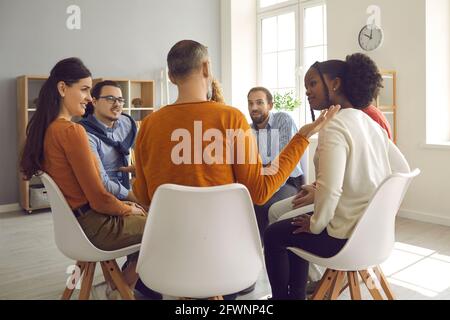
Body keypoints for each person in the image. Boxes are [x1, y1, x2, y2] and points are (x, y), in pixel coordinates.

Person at [132, 39, 338, 213]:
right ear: (206, 68)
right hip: (224, 243)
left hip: (167, 245)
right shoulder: (230, 118)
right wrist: (301, 137)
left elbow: (143, 196)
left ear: (170, 76)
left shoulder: (148, 125)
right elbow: (260, 192)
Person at [263, 53, 392, 300]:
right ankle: (296, 295)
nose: (308, 92)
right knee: (293, 221)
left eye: (313, 83)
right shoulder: (370, 125)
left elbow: (331, 189)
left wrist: (315, 224)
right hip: (372, 231)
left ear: (335, 83)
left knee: (273, 234)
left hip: (345, 237)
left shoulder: (335, 126)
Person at [19, 57, 147, 297]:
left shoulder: (48, 130)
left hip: (76, 227)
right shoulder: (72, 131)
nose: (89, 98)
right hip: (95, 227)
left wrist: (124, 206)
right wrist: (128, 208)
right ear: (62, 88)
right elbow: (99, 198)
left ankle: (117, 285)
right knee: (163, 227)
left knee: (146, 217)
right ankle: (122, 289)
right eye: (85, 90)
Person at [248, 87, 306, 238]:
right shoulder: (247, 130)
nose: (254, 108)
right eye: (250, 103)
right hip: (261, 181)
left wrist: (262, 190)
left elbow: (281, 164)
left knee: (260, 205)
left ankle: (258, 254)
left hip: (289, 181)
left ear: (270, 105)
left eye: (259, 102)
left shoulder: (283, 120)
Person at [78, 80, 139, 203]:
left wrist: (141, 170)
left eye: (120, 100)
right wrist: (135, 198)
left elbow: (145, 151)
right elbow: (101, 183)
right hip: (102, 198)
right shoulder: (84, 133)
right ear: (94, 101)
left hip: (129, 189)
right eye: (110, 99)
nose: (117, 105)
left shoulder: (127, 123)